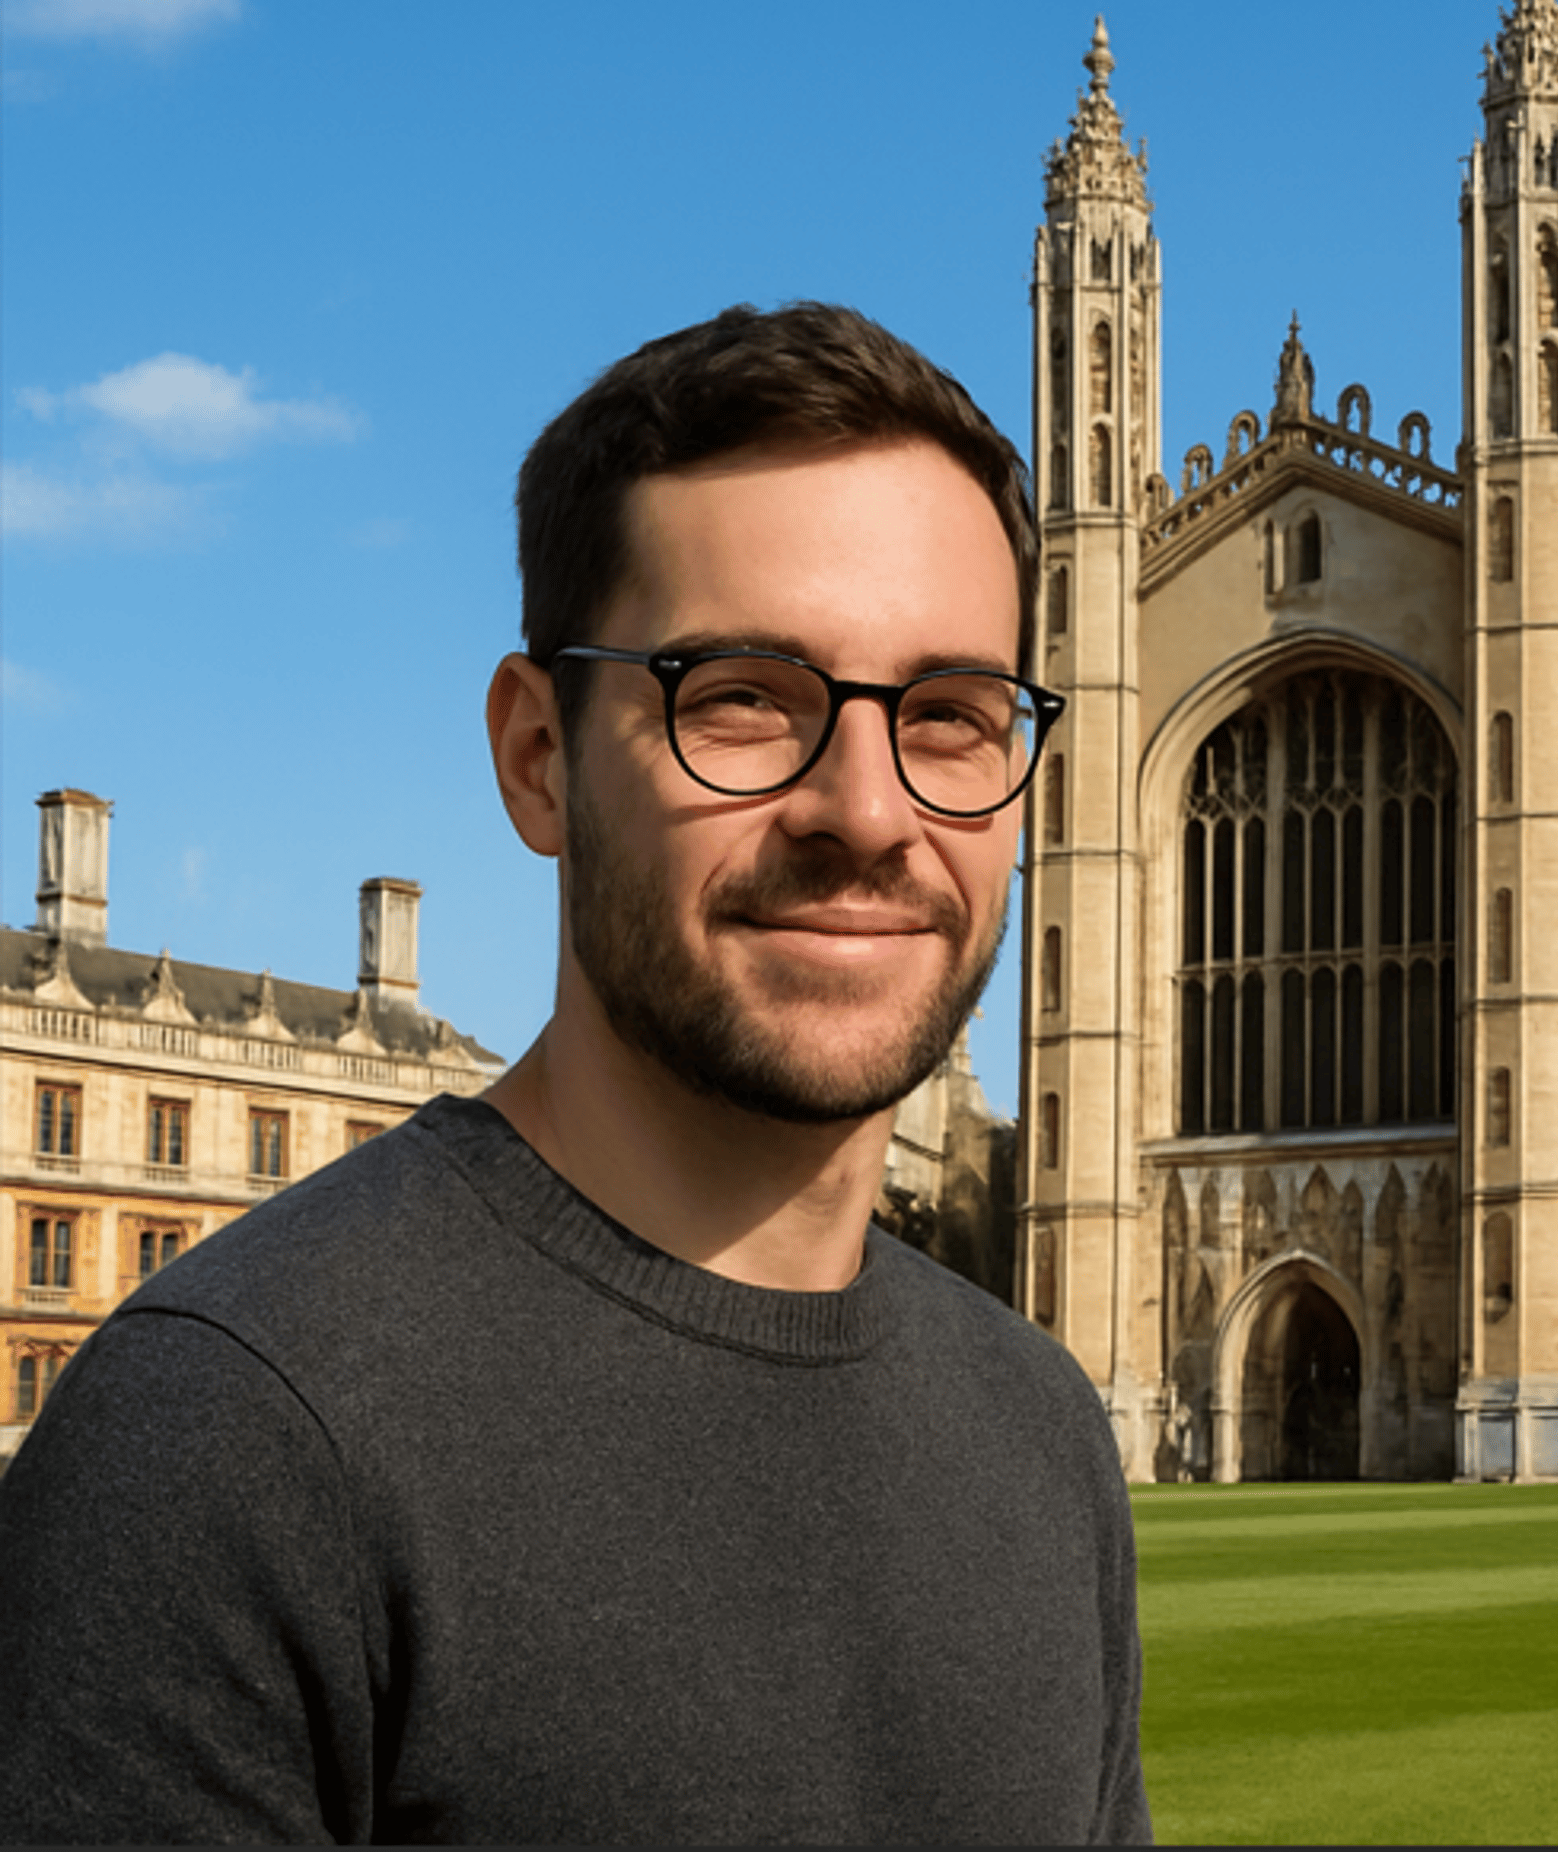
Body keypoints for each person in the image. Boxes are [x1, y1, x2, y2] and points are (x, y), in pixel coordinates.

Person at [0, 303, 1152, 1844]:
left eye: (950, 716)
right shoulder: (231, 1437)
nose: (868, 810)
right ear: (540, 755)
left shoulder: (1043, 1434)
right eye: (743, 694)